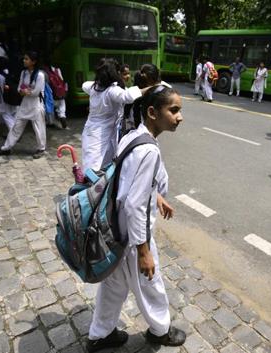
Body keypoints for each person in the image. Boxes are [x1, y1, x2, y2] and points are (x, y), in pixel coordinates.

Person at [87, 85, 186, 352]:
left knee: (113, 286)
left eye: (179, 110)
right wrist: (144, 251)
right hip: (133, 237)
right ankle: (159, 331)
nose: (179, 117)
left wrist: (156, 195)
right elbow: (134, 204)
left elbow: (127, 181)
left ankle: (99, 334)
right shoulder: (148, 150)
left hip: (115, 230)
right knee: (150, 285)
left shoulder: (132, 136)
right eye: (173, 110)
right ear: (152, 112)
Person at [80, 58, 148, 171]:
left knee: (100, 161)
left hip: (95, 130)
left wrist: (99, 81)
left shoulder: (94, 87)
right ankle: (92, 186)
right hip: (100, 134)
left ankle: (99, 185)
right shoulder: (112, 91)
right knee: (94, 166)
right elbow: (128, 96)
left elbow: (84, 85)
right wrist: (152, 88)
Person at [0, 51, 47, 159]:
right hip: (25, 104)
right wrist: (23, 91)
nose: (24, 61)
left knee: (38, 128)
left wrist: (26, 91)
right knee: (16, 126)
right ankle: (6, 148)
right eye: (24, 59)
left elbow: (36, 92)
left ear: (33, 62)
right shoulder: (24, 73)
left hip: (36, 105)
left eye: (27, 59)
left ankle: (41, 148)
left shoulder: (40, 75)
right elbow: (19, 88)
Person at [0, 56, 17, 131]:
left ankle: (14, 132)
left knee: (5, 114)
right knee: (13, 113)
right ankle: (16, 130)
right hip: (13, 96)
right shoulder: (10, 71)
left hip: (3, 97)